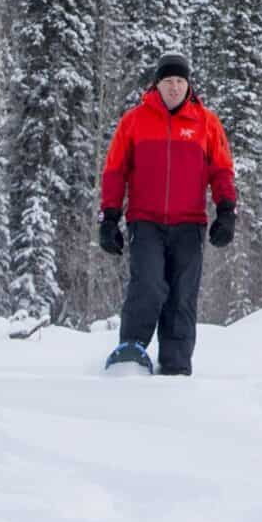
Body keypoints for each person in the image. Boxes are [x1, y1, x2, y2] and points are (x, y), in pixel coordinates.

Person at [98, 52, 237, 375]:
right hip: (145, 221)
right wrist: (109, 217)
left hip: (189, 224)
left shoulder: (206, 123)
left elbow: (222, 171)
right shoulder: (134, 121)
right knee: (147, 284)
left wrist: (226, 211)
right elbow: (115, 171)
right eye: (168, 81)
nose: (174, 87)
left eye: (179, 81)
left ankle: (176, 366)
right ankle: (130, 354)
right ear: (156, 84)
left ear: (188, 85)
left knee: (181, 295)